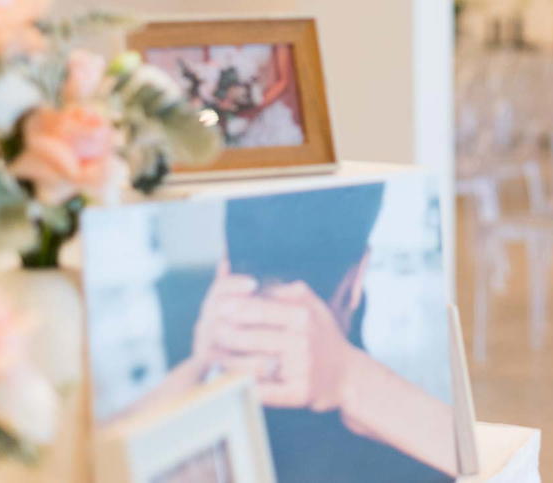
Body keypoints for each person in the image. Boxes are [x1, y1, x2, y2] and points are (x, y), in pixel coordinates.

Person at [140, 185, 457, 482]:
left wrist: (196, 372)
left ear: (223, 267)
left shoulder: (173, 459)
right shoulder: (424, 461)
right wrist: (353, 379)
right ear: (356, 280)